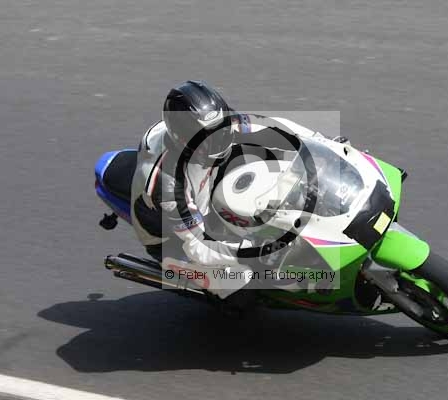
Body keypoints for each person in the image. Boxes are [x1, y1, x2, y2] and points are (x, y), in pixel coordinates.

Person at [130, 80, 328, 302]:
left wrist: (321, 142)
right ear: (182, 140)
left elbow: (276, 129)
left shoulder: (221, 125)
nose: (221, 142)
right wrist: (250, 251)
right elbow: (197, 245)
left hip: (205, 185)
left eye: (222, 131)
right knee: (241, 282)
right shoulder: (167, 182)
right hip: (172, 239)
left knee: (269, 164)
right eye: (210, 140)